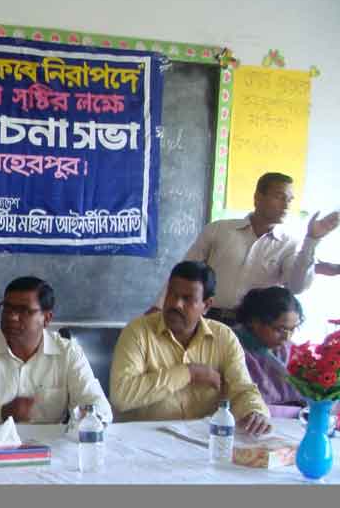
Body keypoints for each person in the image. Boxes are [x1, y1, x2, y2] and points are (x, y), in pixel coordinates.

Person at [152, 172, 339, 323]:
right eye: (279, 197)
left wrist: (312, 240)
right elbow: (185, 272)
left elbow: (297, 287)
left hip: (256, 328)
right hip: (209, 319)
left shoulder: (290, 244)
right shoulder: (219, 230)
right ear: (257, 197)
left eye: (290, 199)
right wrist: (160, 307)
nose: (286, 205)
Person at [112, 261, 272, 434]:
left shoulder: (224, 337)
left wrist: (255, 411)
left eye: (187, 299)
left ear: (207, 305)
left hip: (201, 438)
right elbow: (122, 396)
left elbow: (241, 388)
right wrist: (189, 373)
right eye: (172, 294)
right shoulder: (138, 332)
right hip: (144, 438)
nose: (176, 304)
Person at [0, 276, 112, 425]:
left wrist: (87, 416)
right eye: (7, 308)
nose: (11, 317)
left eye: (24, 311)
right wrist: (2, 413)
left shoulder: (68, 353)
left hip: (50, 446)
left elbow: (100, 408)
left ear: (46, 318)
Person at [233, 286, 306, 418]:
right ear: (255, 322)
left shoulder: (291, 350)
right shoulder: (233, 348)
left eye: (292, 329)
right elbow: (244, 406)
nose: (287, 337)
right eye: (280, 329)